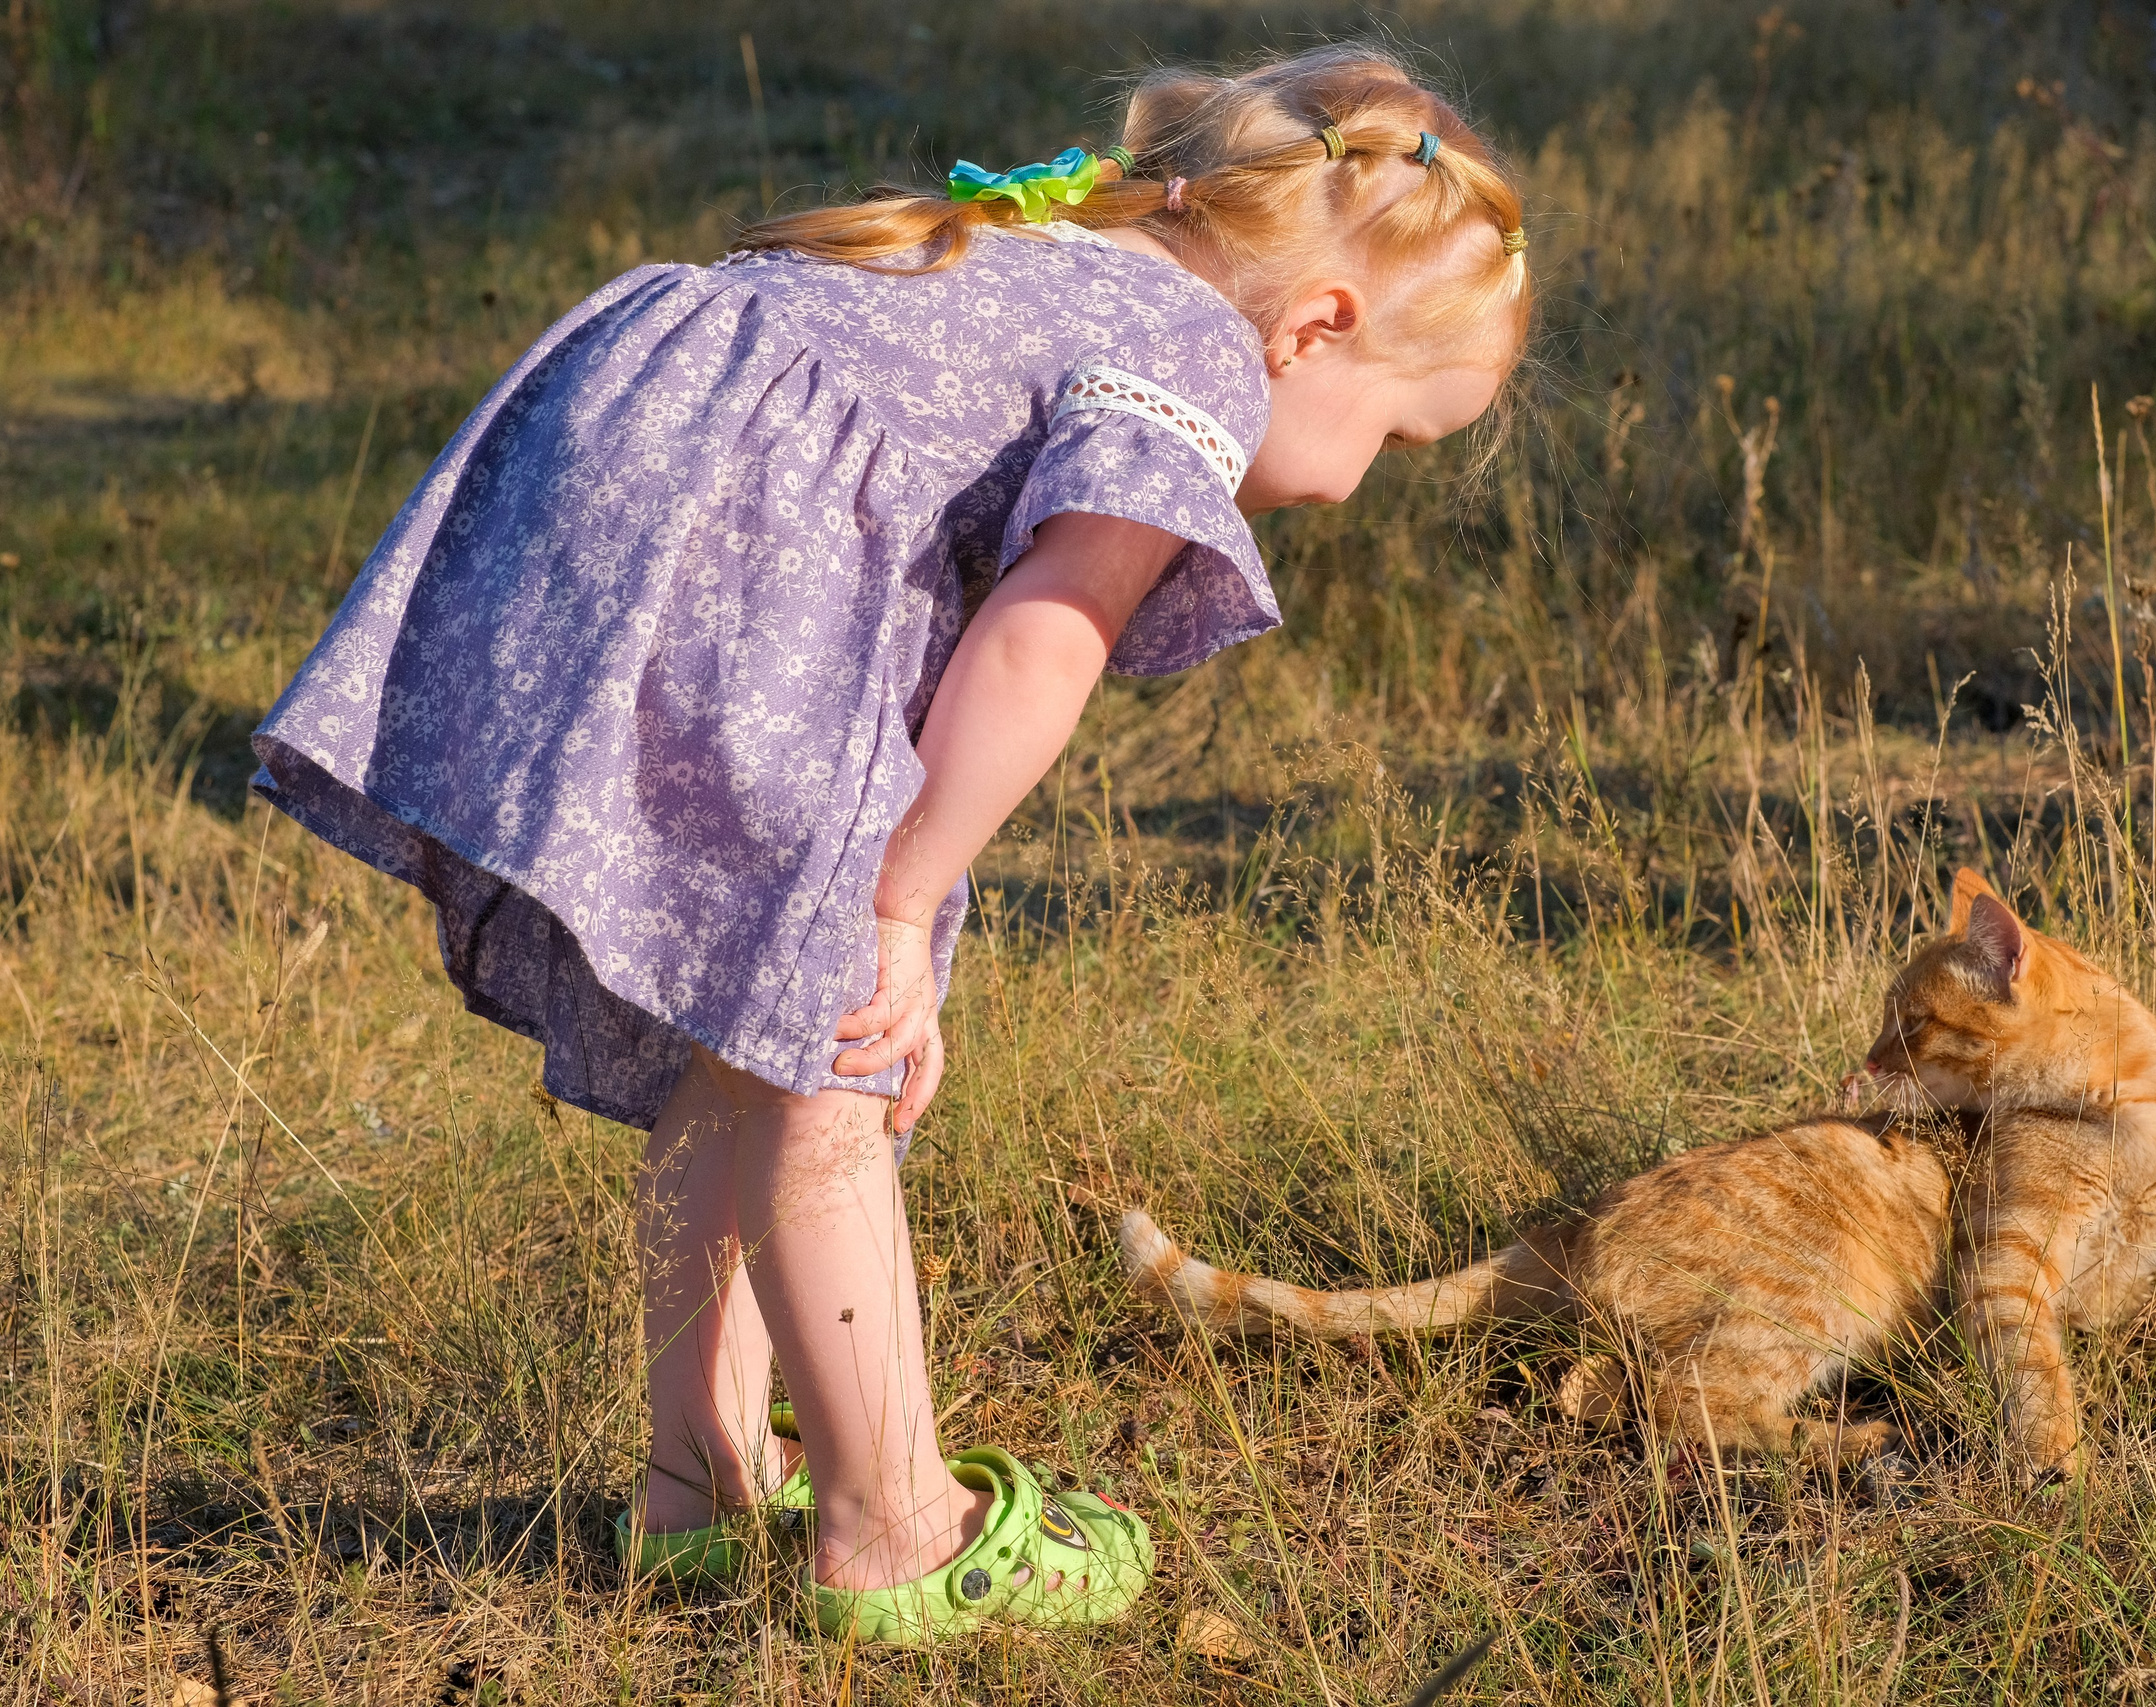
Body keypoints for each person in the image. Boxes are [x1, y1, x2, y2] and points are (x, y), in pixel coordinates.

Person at [249, 43, 1532, 1644]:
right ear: (1320, 327)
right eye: (1400, 439)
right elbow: (1044, 634)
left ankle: (699, 1492)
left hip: (655, 500)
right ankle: (893, 1527)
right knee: (836, 1048)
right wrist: (900, 900)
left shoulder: (1071, 256)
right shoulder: (1198, 352)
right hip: (754, 556)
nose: (1358, 489)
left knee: (746, 1041)